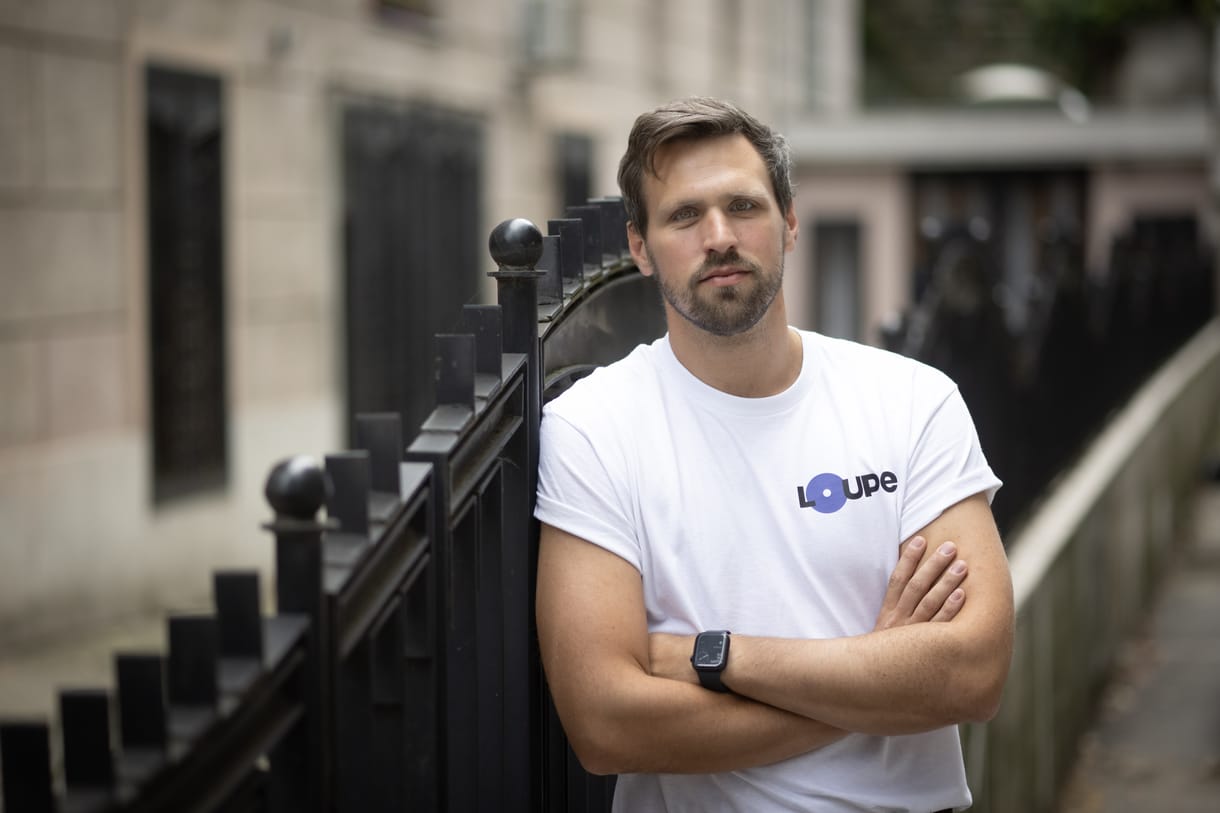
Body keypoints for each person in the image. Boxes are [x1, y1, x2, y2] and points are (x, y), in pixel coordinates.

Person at [534, 96, 1014, 813]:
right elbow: (606, 725)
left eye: (743, 206)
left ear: (789, 222)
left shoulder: (913, 400)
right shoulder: (592, 428)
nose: (720, 237)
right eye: (684, 216)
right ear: (640, 247)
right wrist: (877, 682)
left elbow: (974, 673)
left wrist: (716, 656)